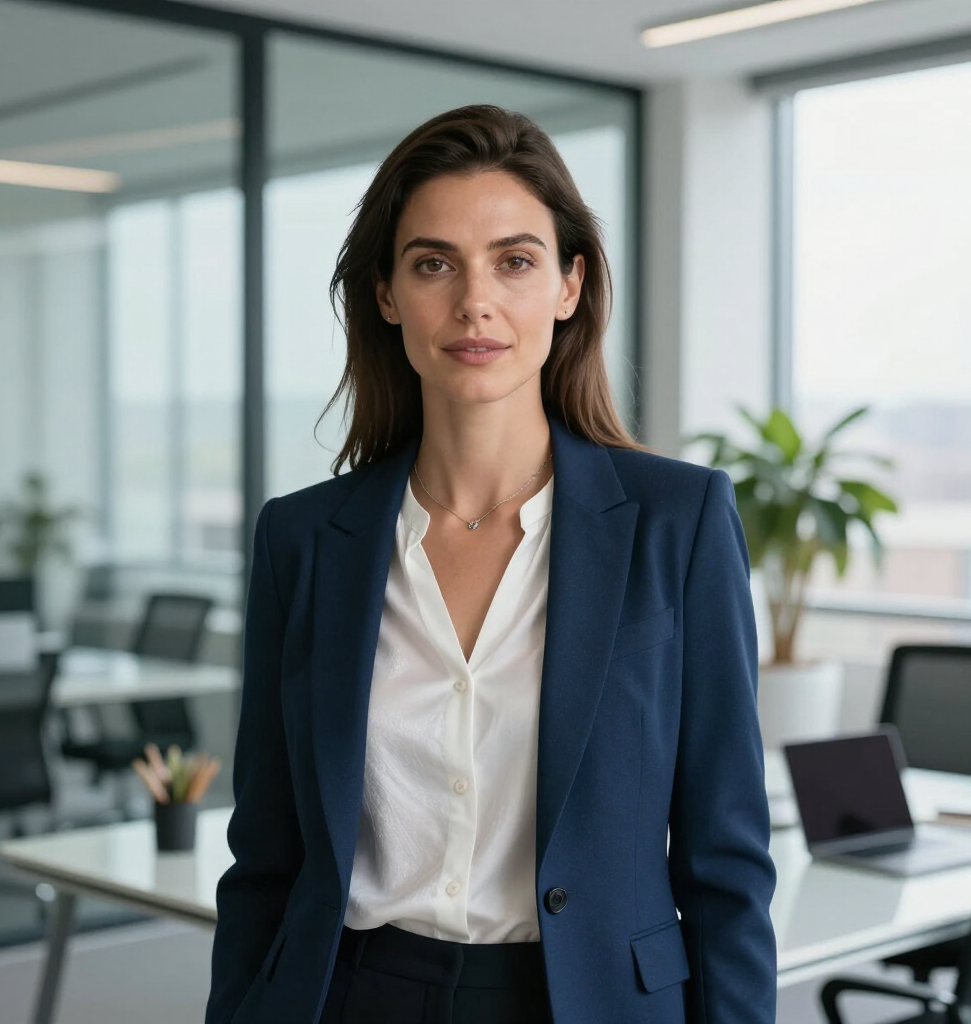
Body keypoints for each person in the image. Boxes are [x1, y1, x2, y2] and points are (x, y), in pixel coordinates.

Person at [205, 104, 776, 1024]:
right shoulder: (303, 541)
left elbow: (726, 865)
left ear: (568, 285)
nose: (475, 301)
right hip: (351, 996)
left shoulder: (679, 523)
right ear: (387, 295)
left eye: (514, 261)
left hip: (587, 1002)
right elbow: (267, 857)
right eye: (434, 263)